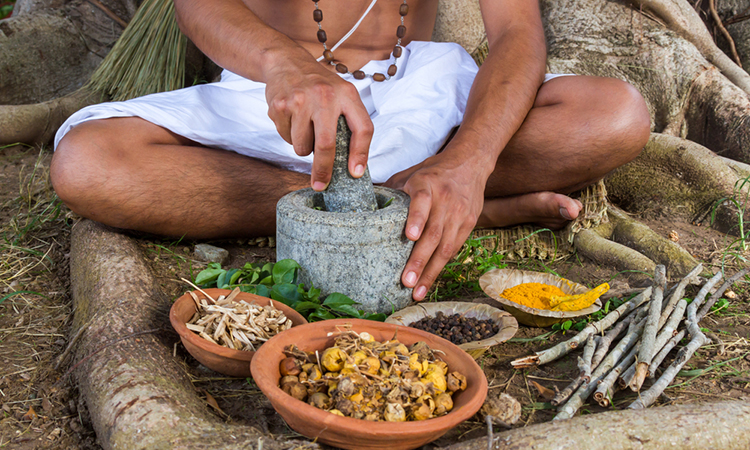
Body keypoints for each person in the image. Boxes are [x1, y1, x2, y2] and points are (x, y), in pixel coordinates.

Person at [50, 0, 651, 302]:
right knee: (90, 163)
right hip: (273, 95)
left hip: (422, 93)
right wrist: (285, 65)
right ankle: (409, 209)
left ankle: (430, 193)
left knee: (613, 115)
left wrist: (469, 160)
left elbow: (518, 32)